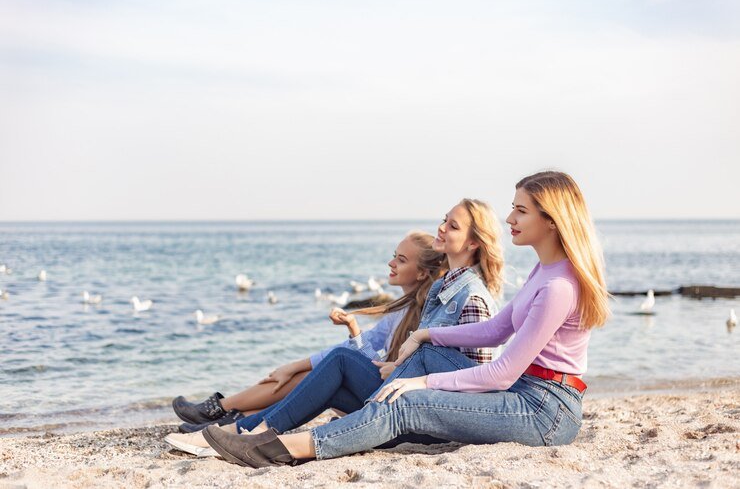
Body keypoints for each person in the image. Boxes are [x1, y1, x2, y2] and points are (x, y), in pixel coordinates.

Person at [201, 171, 611, 467]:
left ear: (552, 220)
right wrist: (425, 334)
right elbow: (498, 329)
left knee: (407, 400)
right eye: (512, 209)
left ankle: (280, 449)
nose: (510, 220)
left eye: (521, 211)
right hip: (527, 394)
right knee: (413, 368)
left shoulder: (559, 287)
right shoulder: (545, 271)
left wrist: (421, 381)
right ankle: (281, 429)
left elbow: (501, 372)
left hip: (545, 412)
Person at [165, 199, 506, 454]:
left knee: (341, 362)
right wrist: (398, 368)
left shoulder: (471, 299)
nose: (442, 228)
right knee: (328, 381)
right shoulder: (447, 288)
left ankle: (246, 432)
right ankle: (242, 429)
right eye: (444, 221)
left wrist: (414, 378)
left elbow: (476, 384)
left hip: (429, 418)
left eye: (454, 226)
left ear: (474, 243)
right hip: (408, 401)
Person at [170, 231, 447, 433]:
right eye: (393, 256)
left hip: (388, 402)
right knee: (308, 372)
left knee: (331, 365)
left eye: (401, 260)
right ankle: (227, 419)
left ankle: (222, 412)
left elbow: (369, 363)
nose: (391, 264)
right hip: (376, 392)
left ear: (422, 273)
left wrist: (352, 332)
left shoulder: (424, 314)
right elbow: (365, 352)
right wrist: (293, 365)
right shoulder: (399, 309)